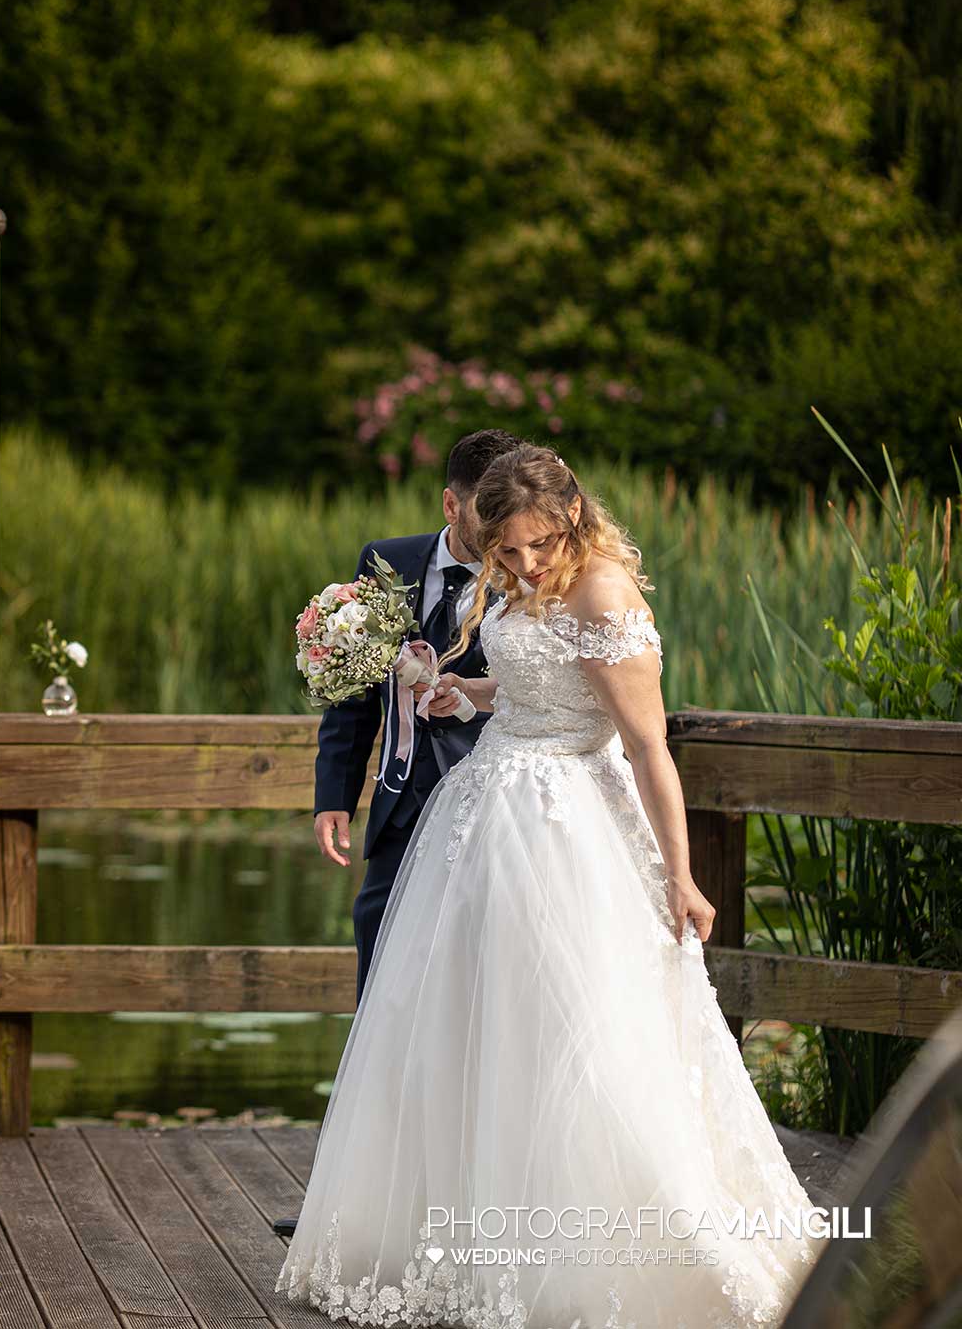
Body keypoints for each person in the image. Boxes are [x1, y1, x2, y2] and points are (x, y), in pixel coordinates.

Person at [275, 444, 820, 1326]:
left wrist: (679, 874)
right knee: (471, 1021)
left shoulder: (604, 591)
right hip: (483, 819)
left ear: (572, 515)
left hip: (570, 827)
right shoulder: (517, 579)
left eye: (539, 544)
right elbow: (538, 686)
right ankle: (463, 1247)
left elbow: (645, 744)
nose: (525, 564)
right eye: (507, 549)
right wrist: (468, 694)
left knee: (578, 1027)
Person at [313, 428, 525, 1001]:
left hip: (495, 806)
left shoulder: (529, 569)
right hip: (400, 803)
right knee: (380, 963)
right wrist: (335, 794)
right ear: (451, 505)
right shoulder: (386, 561)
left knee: (478, 974)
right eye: (487, 512)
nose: (502, 530)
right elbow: (354, 691)